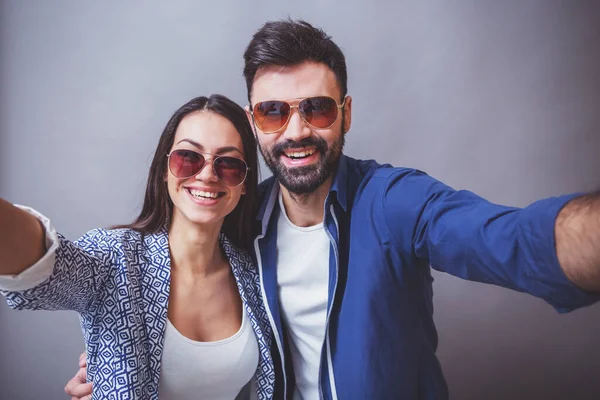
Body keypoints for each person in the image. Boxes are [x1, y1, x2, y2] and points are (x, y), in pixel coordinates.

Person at [67, 19, 600, 400]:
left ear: (345, 114)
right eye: (274, 112)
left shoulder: (393, 203)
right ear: (254, 123)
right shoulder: (239, 219)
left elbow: (509, 239)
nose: (296, 131)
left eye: (316, 109)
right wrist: (113, 370)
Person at [0, 95, 276, 399]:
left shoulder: (254, 272)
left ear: (245, 183)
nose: (208, 174)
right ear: (164, 169)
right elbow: (43, 265)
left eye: (229, 164)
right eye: (188, 157)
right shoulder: (116, 258)